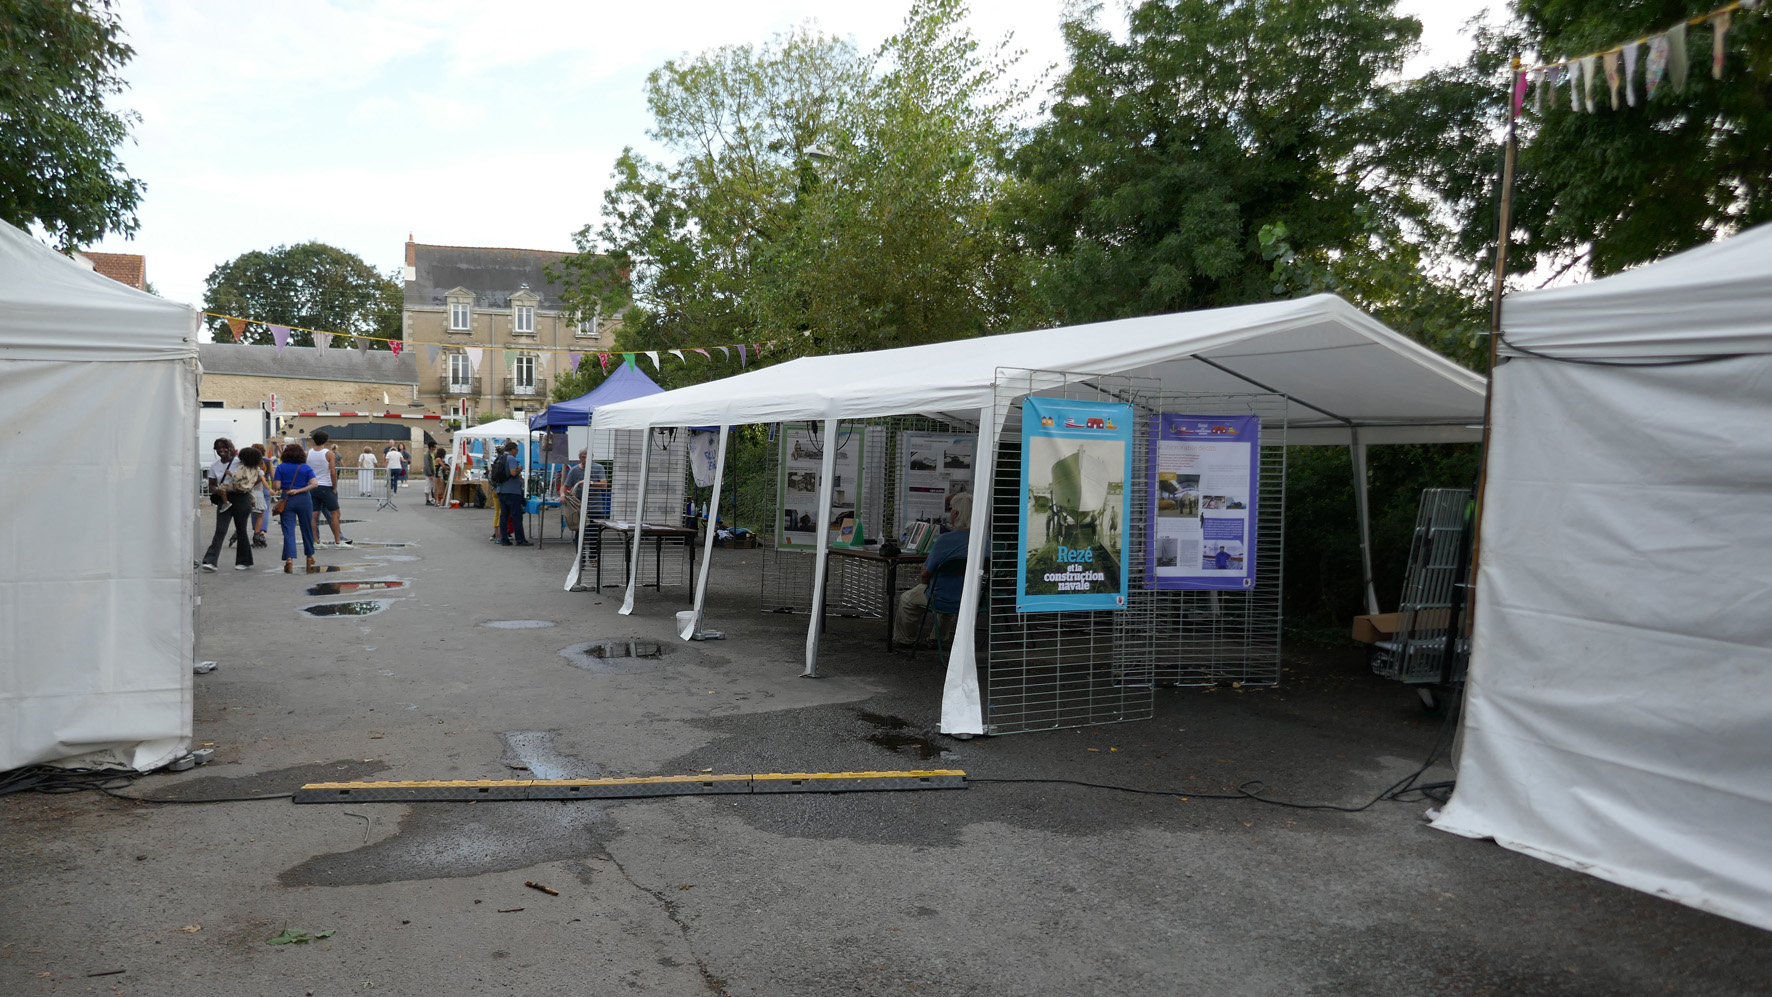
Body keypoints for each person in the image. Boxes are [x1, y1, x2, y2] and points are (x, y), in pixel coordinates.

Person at [894, 492, 972, 647]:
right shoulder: (984, 540)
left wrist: (925, 585)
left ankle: (905, 640)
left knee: (907, 599)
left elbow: (925, 572)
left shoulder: (945, 540)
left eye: (951, 510)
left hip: (939, 597)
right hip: (969, 598)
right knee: (950, 589)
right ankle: (938, 638)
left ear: (956, 513)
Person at [201, 446, 265, 571]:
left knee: (241, 530)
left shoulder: (241, 461)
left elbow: (259, 474)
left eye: (225, 447)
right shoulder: (214, 465)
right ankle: (210, 561)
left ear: (230, 448)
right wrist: (218, 491)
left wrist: (247, 486)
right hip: (225, 497)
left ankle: (244, 561)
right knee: (220, 529)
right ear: (215, 449)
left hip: (242, 498)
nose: (222, 450)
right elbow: (212, 485)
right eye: (219, 447)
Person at [274, 442, 319, 572]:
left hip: (286, 498)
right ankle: (309, 556)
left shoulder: (281, 467)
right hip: (304, 499)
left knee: (288, 530)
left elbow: (277, 486)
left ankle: (289, 559)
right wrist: (299, 490)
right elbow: (314, 484)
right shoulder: (306, 468)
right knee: (307, 528)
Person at [305, 430, 349, 547]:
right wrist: (334, 486)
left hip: (313, 486)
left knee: (314, 515)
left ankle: (316, 541)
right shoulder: (329, 454)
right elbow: (333, 472)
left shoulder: (308, 453)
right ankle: (338, 540)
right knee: (335, 513)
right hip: (326, 485)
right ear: (325, 440)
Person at [495, 441, 529, 546]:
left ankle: (504, 539)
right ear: (512, 449)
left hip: (501, 490)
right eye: (517, 450)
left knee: (504, 516)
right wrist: (520, 468)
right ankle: (520, 539)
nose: (517, 452)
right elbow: (513, 472)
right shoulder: (511, 458)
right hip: (512, 491)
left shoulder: (499, 458)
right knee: (516, 515)